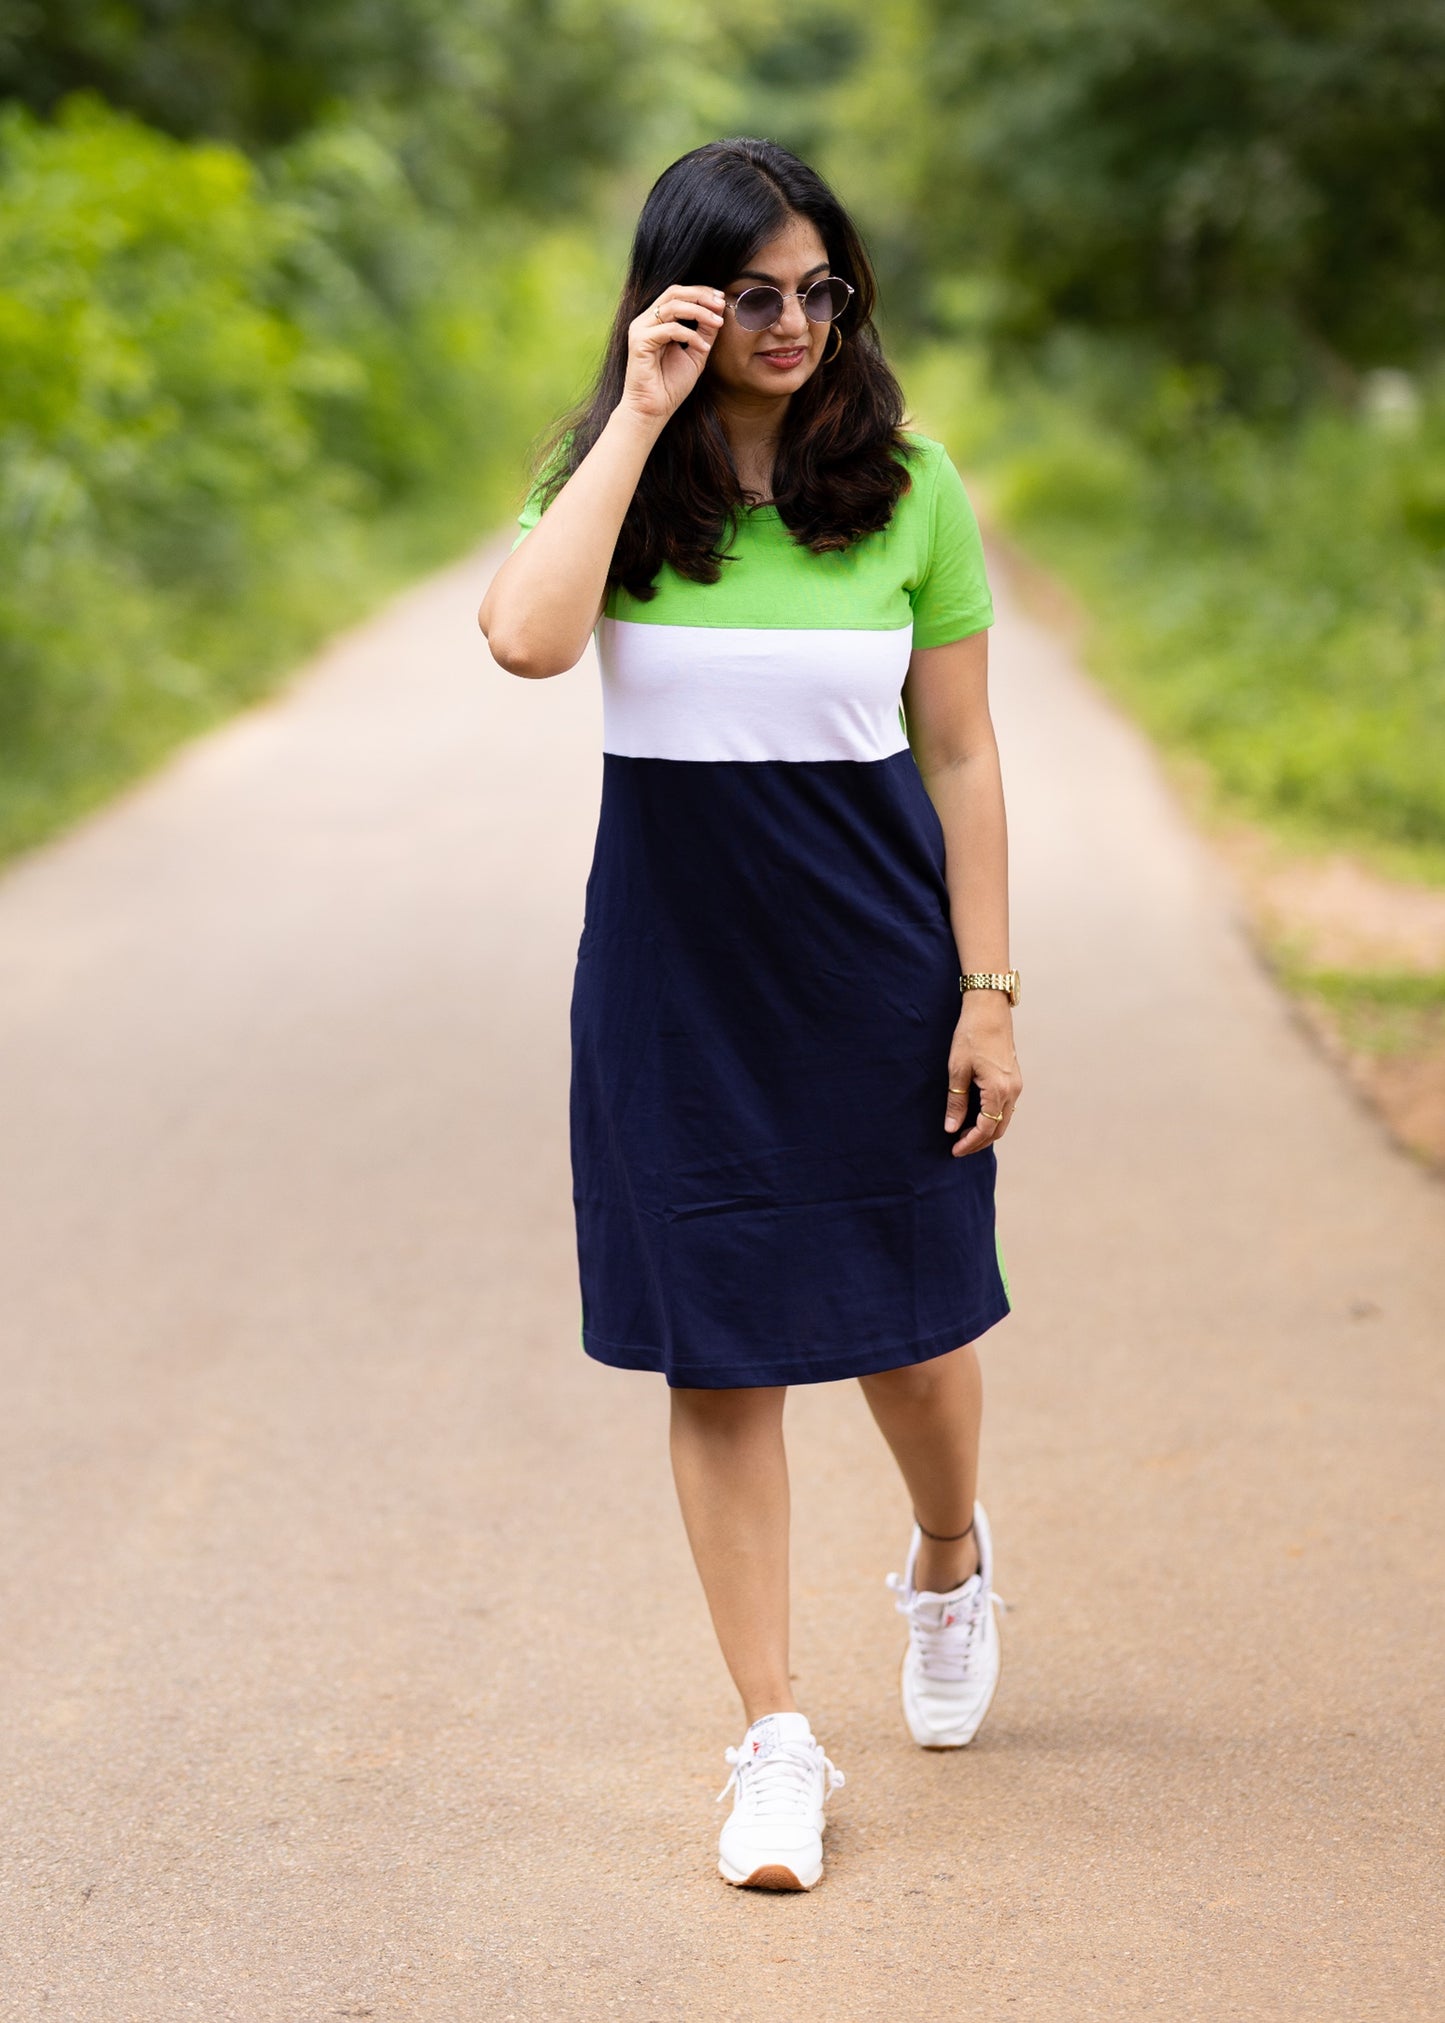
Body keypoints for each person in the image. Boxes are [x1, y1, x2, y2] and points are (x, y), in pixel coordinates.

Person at [478, 137, 1022, 1893]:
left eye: (820, 291)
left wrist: (988, 991)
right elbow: (524, 641)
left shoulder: (911, 481)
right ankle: (775, 1741)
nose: (792, 323)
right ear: (680, 301)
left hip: (872, 970)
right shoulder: (613, 476)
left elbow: (960, 753)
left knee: (910, 1337)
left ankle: (945, 1557)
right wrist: (634, 418)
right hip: (673, 981)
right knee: (718, 1348)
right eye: (753, 295)